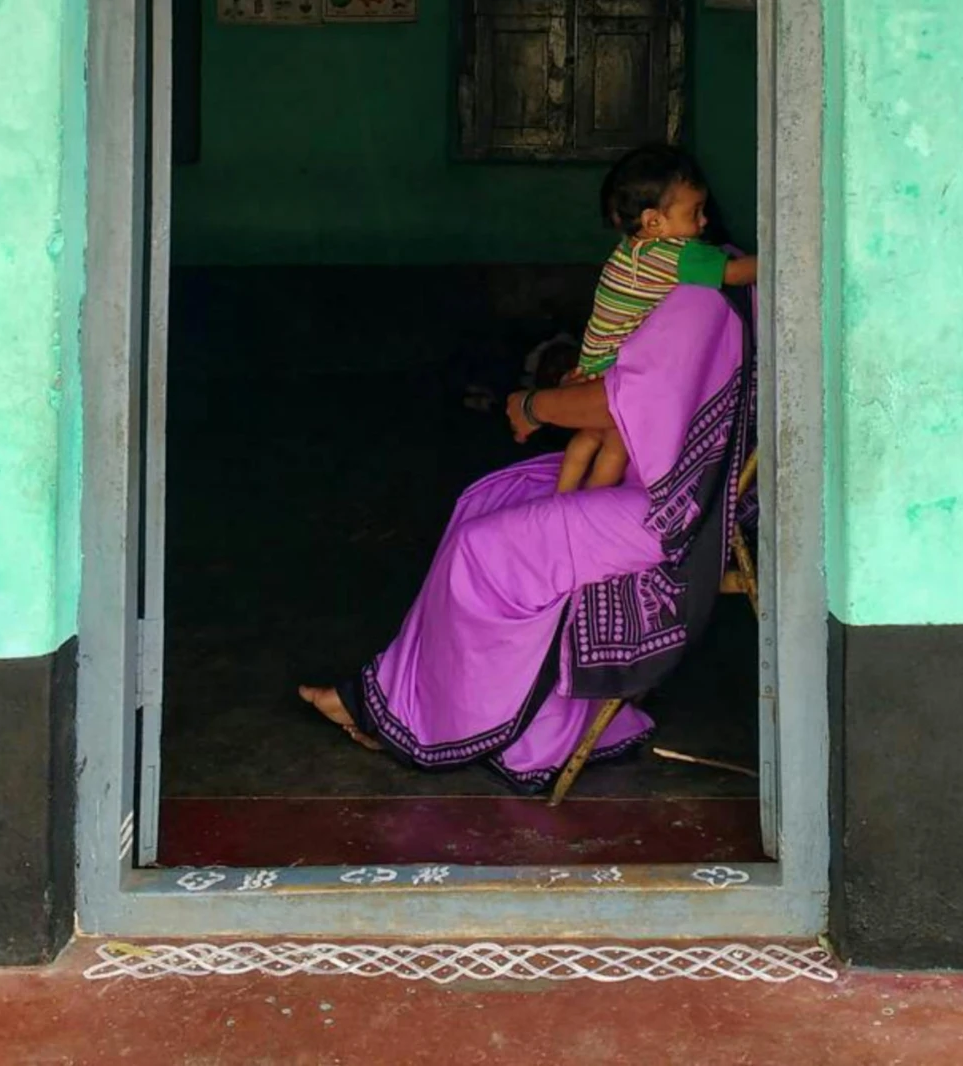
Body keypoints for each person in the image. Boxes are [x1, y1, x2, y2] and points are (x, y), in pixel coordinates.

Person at [298, 272, 754, 787]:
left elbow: (628, 403)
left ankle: (461, 724)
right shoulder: (667, 280)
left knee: (483, 550)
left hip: (676, 505)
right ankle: (402, 696)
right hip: (652, 475)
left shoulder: (701, 294)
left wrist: (532, 405)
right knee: (489, 496)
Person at [557, 146, 757, 493]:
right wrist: (782, 254)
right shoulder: (678, 255)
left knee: (588, 437)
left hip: (592, 358)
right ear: (653, 221)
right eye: (694, 212)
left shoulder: (630, 246)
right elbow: (736, 273)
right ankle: (588, 502)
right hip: (612, 370)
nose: (704, 221)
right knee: (616, 445)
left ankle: (561, 495)